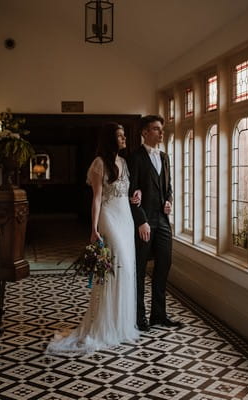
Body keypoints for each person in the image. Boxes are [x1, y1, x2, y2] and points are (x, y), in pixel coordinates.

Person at [46, 123, 141, 354]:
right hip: (109, 218)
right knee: (115, 269)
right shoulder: (99, 163)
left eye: (124, 135)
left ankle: (121, 325)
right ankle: (104, 326)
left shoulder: (124, 163)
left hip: (126, 219)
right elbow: (97, 198)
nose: (124, 139)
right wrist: (94, 228)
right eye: (120, 136)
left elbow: (124, 192)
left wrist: (135, 197)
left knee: (127, 270)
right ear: (110, 139)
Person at [128, 115, 183, 332]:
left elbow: (168, 187)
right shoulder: (135, 158)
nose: (161, 133)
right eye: (156, 129)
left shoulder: (164, 156)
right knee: (140, 269)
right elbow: (131, 192)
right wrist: (140, 220)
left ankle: (159, 315)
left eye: (161, 129)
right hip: (144, 222)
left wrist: (168, 202)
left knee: (164, 265)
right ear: (145, 132)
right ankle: (139, 318)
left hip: (162, 221)